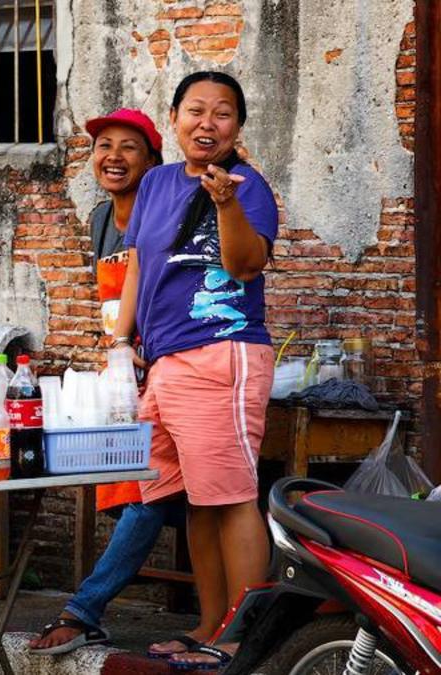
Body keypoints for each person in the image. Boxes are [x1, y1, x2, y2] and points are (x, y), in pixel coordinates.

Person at [115, 72, 277, 671]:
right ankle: (211, 623)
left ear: (238, 126)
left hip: (221, 355)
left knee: (232, 498)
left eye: (223, 113)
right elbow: (138, 265)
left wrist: (225, 202)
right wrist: (120, 339)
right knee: (195, 501)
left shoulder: (248, 186)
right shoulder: (155, 181)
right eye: (196, 110)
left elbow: (244, 265)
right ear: (176, 118)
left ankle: (244, 635)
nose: (207, 123)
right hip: (166, 363)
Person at [29, 109, 190, 655]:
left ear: (152, 160)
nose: (113, 156)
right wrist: (117, 357)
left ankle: (85, 608)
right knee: (131, 484)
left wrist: (142, 354)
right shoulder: (100, 218)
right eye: (103, 145)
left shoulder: (165, 213)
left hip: (165, 364)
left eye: (129, 147)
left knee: (144, 489)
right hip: (123, 367)